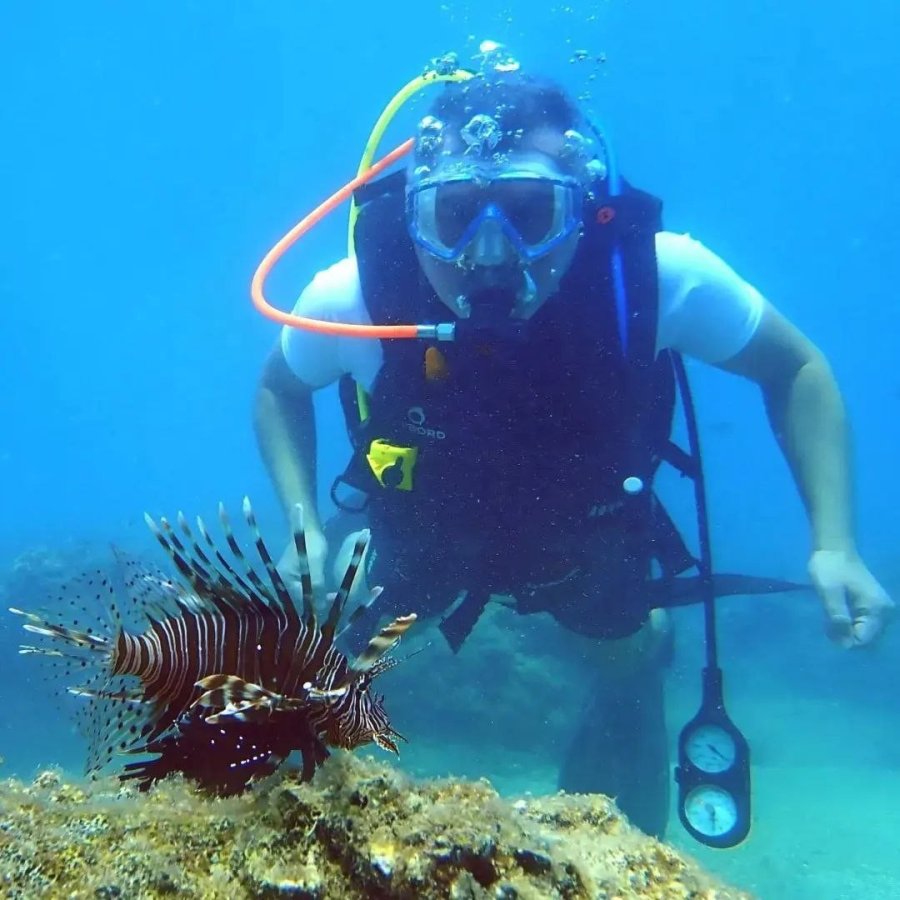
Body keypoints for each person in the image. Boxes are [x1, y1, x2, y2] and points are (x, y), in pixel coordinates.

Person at [254, 62, 893, 837]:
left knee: (624, 667)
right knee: (334, 663)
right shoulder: (355, 294)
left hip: (583, 534)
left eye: (530, 212)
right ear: (415, 214)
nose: (490, 256)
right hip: (423, 528)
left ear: (583, 207)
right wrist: (303, 527)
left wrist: (835, 543)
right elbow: (279, 389)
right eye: (454, 216)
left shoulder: (652, 277)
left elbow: (796, 368)